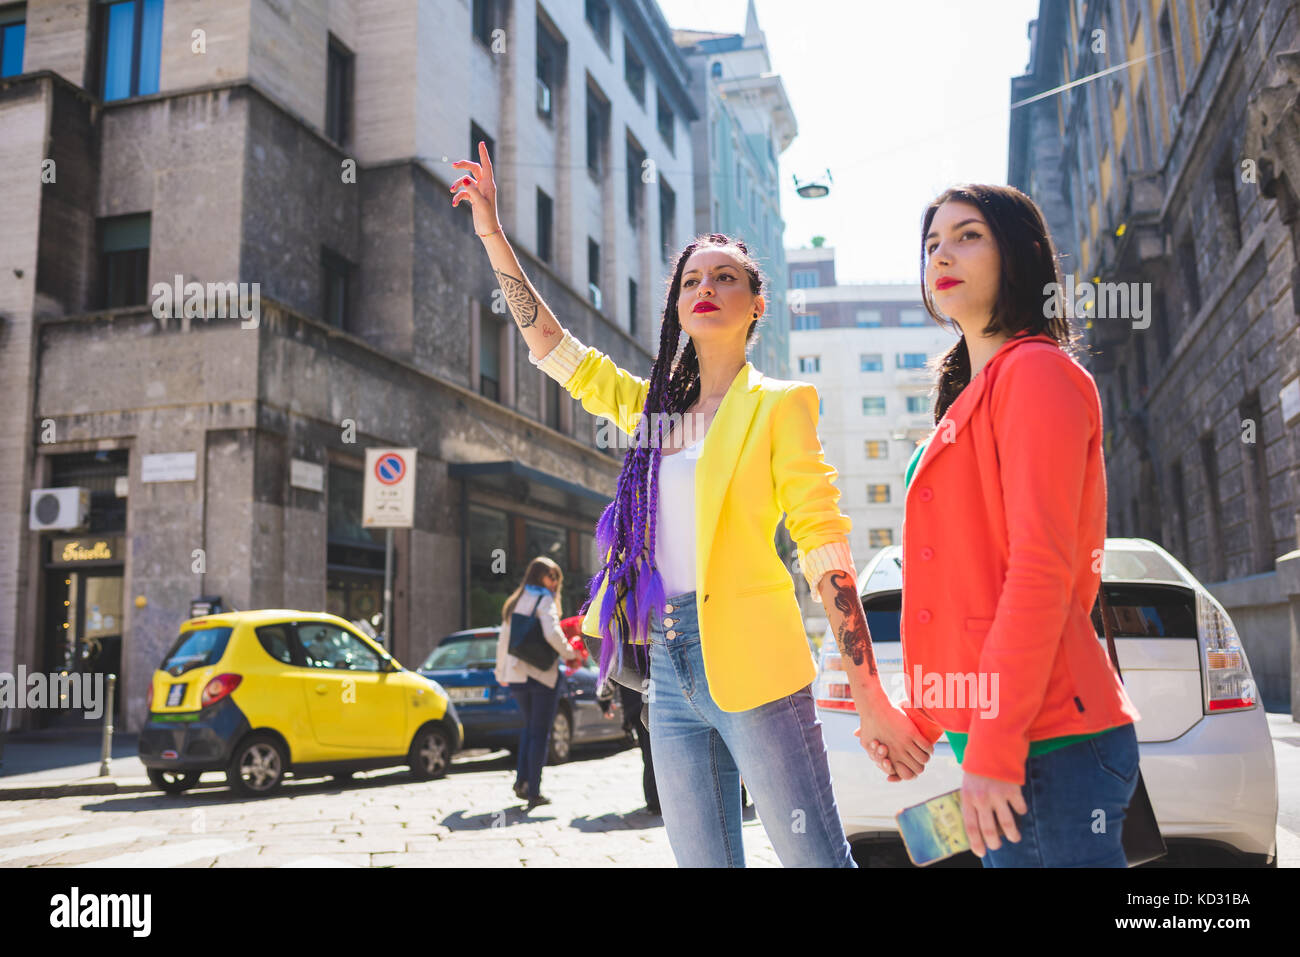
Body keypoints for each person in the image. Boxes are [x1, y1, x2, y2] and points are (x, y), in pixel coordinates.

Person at [451, 142, 934, 867]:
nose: (705, 285)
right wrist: (492, 231)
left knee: (815, 859)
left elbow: (824, 547)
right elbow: (553, 349)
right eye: (691, 278)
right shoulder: (653, 411)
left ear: (756, 303)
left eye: (726, 276)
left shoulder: (779, 406)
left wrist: (869, 696)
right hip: (667, 670)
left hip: (758, 669)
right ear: (676, 303)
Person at [866, 184, 1142, 867]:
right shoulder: (974, 395)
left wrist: (992, 746)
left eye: (967, 235)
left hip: (1047, 743)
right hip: (1016, 739)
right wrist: (924, 719)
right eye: (931, 243)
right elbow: (969, 589)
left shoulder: (1036, 375)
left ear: (1016, 253)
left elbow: (1041, 573)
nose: (942, 254)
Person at [494, 557, 582, 809]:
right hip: (542, 675)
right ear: (537, 576)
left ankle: (522, 782)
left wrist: (500, 671)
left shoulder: (515, 601)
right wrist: (570, 653)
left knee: (529, 729)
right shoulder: (544, 599)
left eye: (556, 577)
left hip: (517, 675)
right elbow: (551, 633)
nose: (554, 582)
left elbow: (504, 640)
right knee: (540, 732)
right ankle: (533, 790)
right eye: (550, 576)